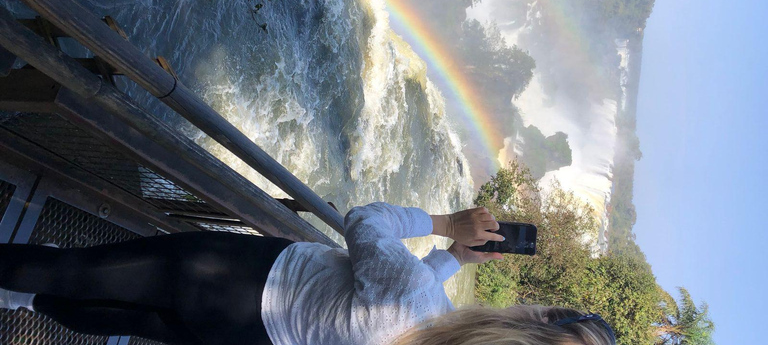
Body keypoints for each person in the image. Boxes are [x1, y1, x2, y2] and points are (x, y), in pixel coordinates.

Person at [0, 202, 616, 345]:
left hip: (235, 277)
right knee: (122, 320)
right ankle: (29, 306)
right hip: (246, 338)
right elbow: (416, 318)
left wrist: (446, 223)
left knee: (69, 269)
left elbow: (366, 223)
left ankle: (35, 278)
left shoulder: (409, 294)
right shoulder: (427, 316)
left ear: (532, 317)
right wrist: (454, 260)